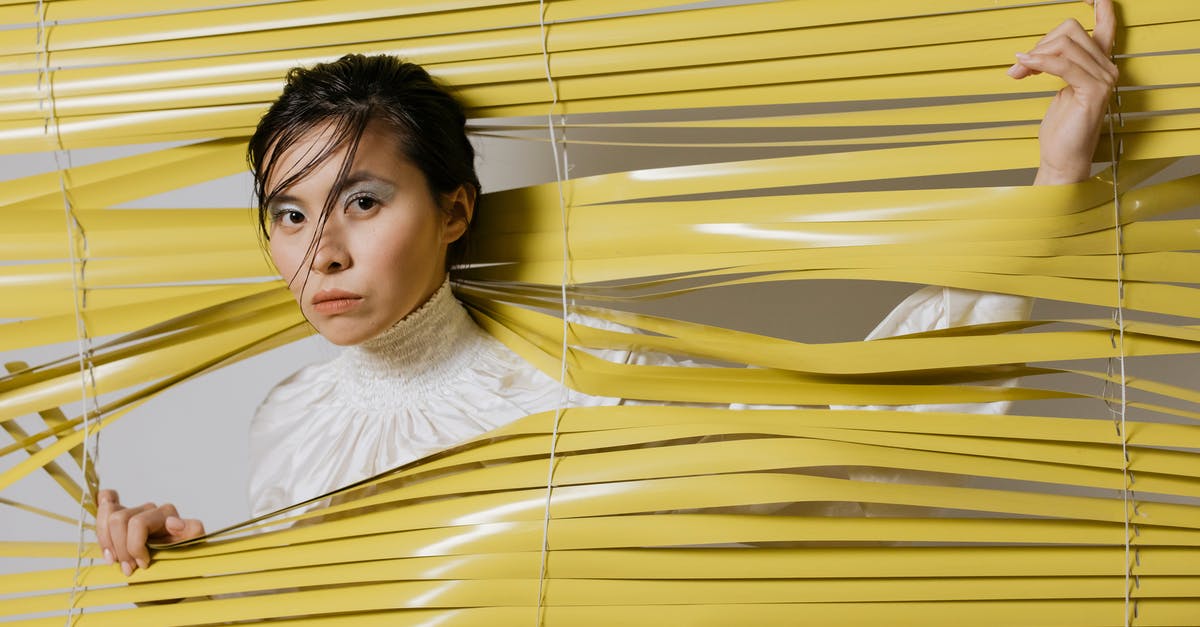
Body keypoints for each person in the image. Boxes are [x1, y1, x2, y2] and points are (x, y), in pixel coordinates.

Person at [94, 0, 1119, 578]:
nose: (318, 250)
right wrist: (186, 567)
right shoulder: (289, 420)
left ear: (455, 209)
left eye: (361, 202)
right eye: (287, 214)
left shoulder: (589, 372)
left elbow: (855, 429)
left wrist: (1054, 181)